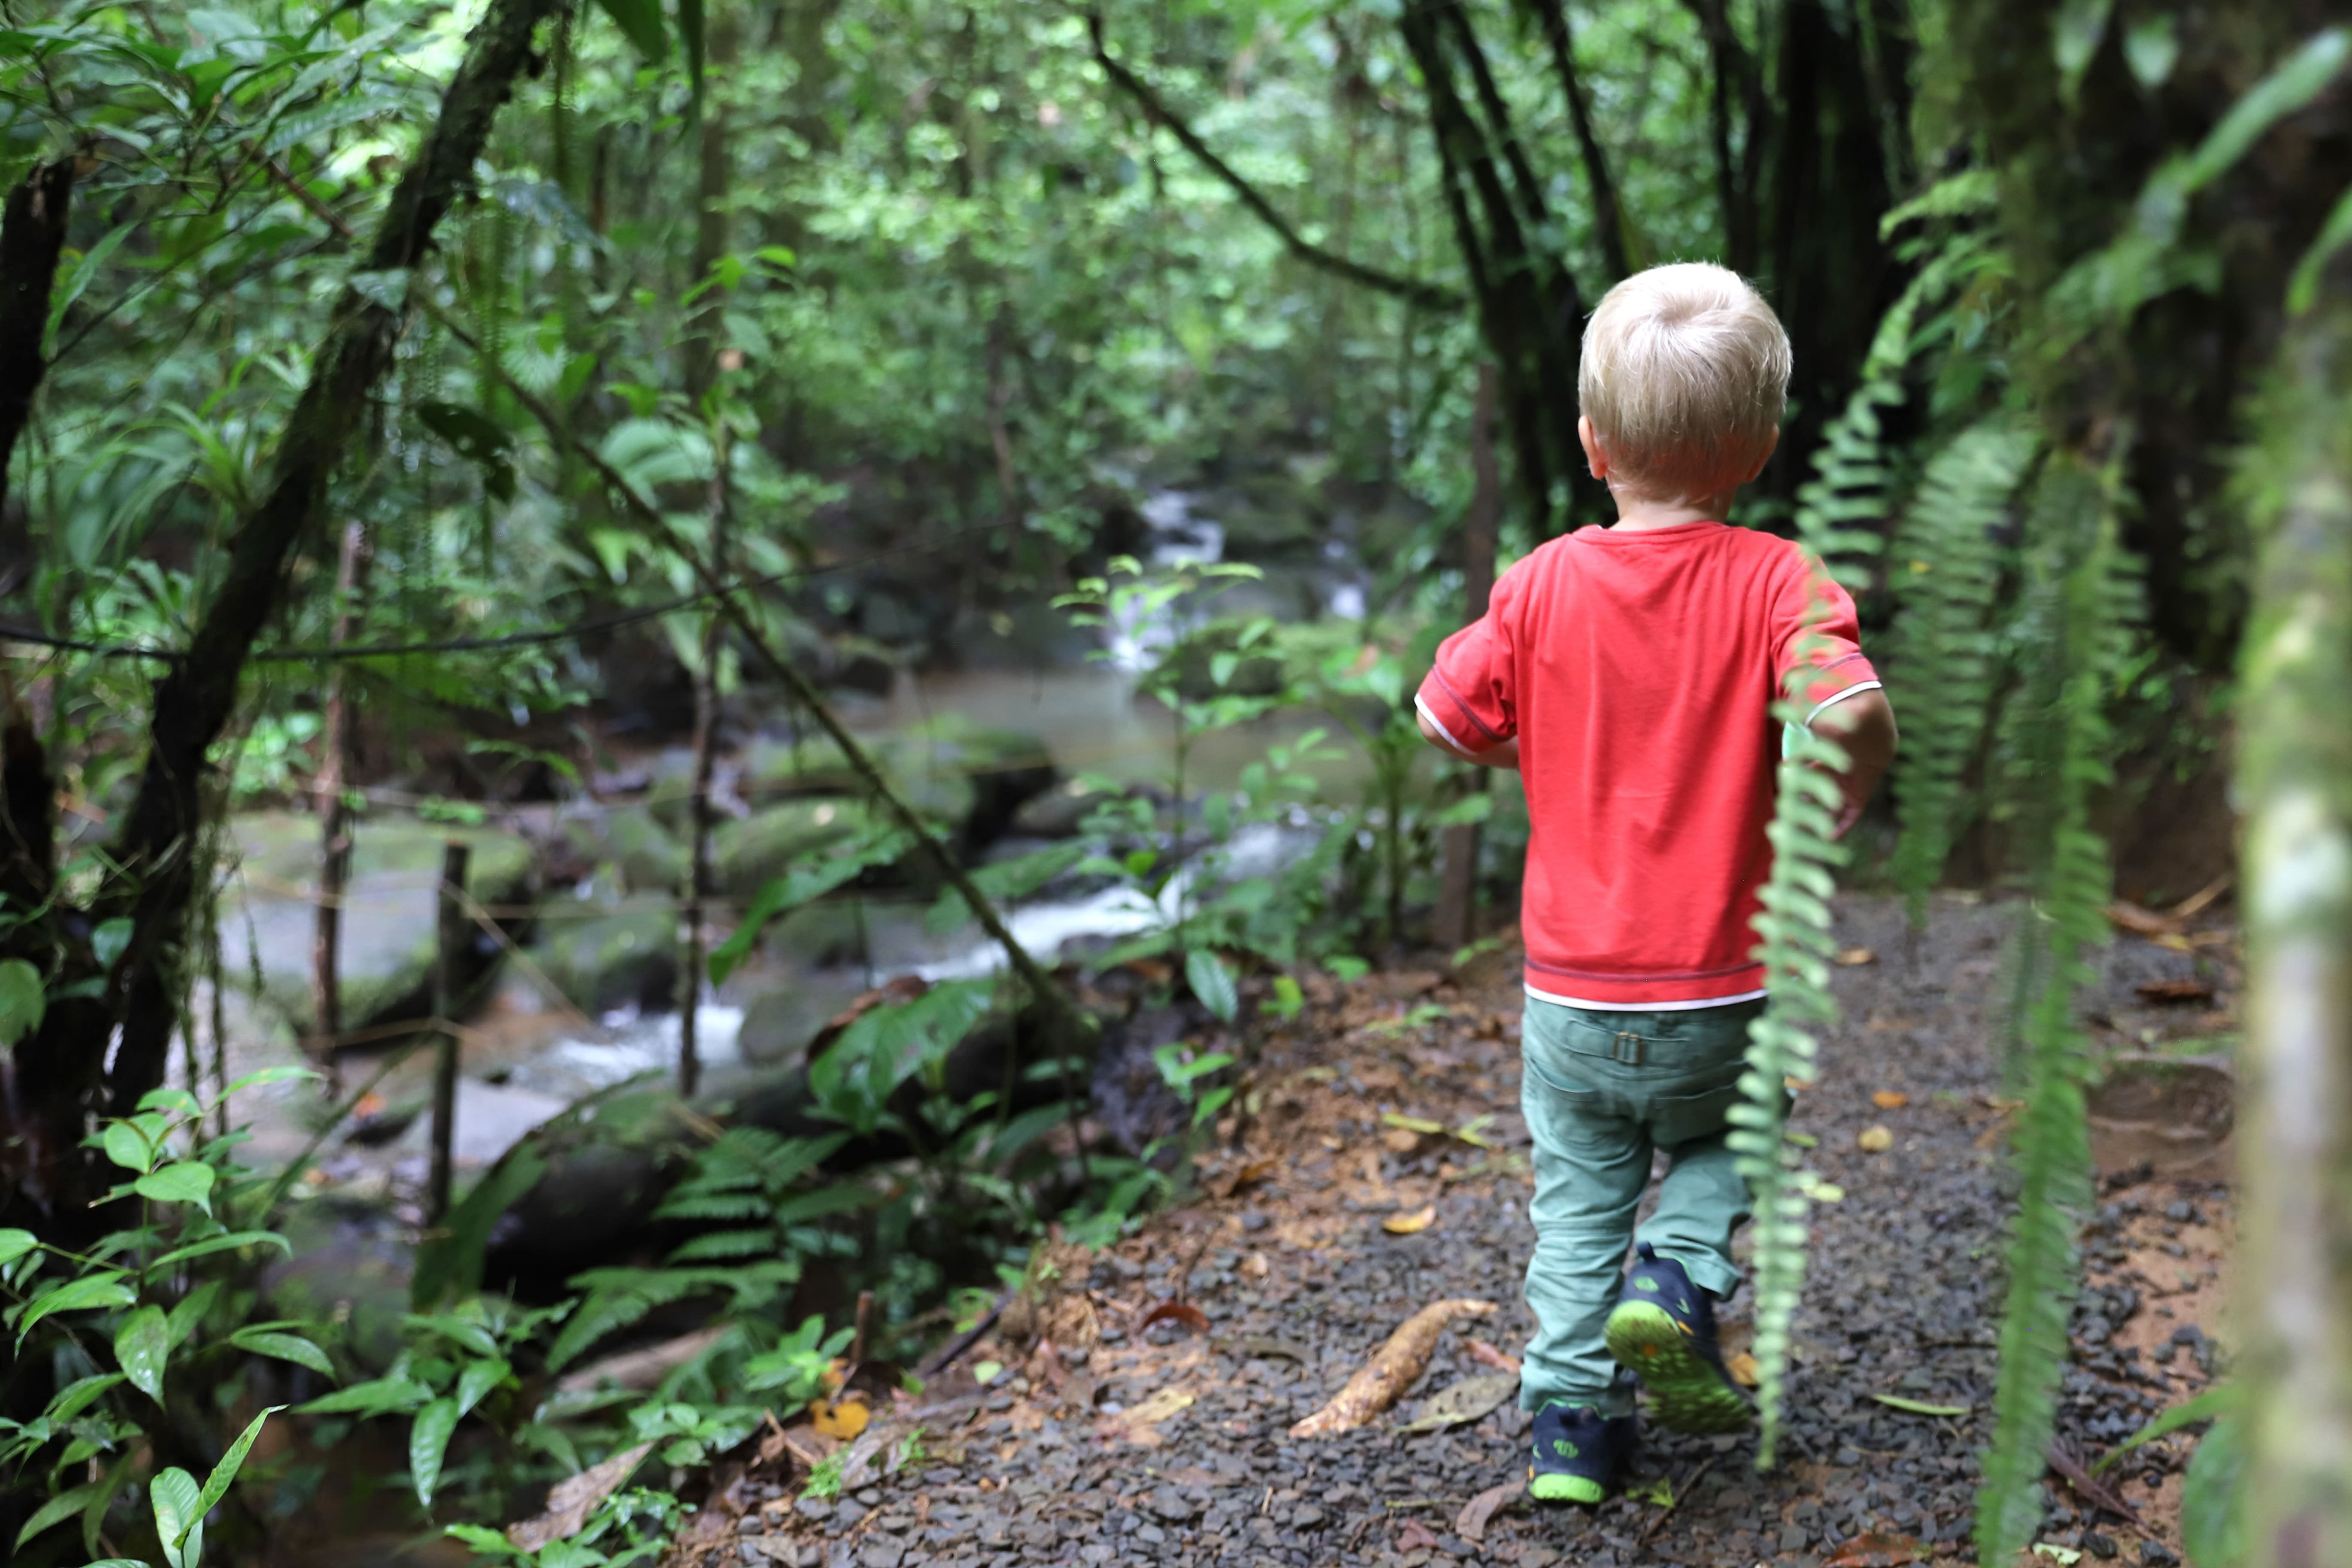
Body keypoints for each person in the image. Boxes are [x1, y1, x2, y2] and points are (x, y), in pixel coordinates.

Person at [1413, 262, 1897, 1503]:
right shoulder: (1778, 581)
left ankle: (1571, 1436)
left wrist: (1537, 714)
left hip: (1572, 994)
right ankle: (1678, 1274)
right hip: (1721, 986)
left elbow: (1445, 720)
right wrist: (1836, 796)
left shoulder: (1536, 588)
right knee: (1747, 1131)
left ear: (1590, 443)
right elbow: (1848, 703)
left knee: (1573, 1209)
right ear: (1760, 444)